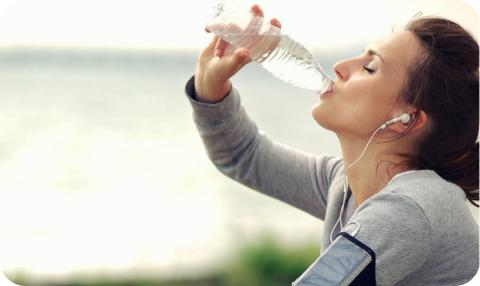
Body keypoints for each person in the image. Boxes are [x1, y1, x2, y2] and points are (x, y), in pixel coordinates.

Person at [184, 4, 479, 285]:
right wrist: (210, 88)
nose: (339, 67)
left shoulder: (413, 208)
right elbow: (243, 156)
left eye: (370, 67)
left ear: (406, 118)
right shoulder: (345, 185)